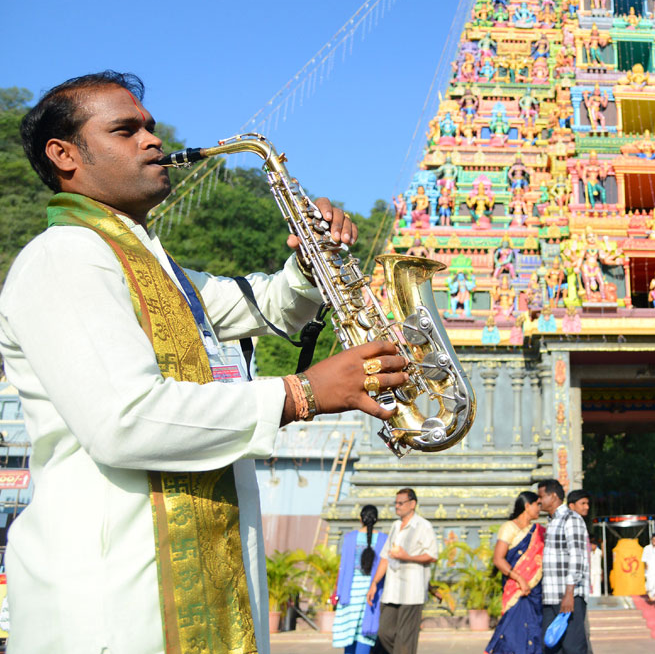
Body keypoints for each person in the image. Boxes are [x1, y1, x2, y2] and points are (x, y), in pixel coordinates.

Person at [0, 72, 409, 654]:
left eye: (149, 126)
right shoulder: (63, 259)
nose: (151, 139)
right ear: (65, 155)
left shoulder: (160, 270)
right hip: (113, 606)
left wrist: (315, 257)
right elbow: (125, 422)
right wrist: (300, 393)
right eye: (125, 130)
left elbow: (266, 306)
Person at [369, 488, 438, 654]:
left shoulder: (423, 526)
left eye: (401, 503)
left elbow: (432, 555)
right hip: (392, 590)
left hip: (412, 592)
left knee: (405, 637)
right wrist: (374, 583)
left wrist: (407, 557)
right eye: (396, 503)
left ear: (412, 504)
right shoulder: (395, 526)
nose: (397, 506)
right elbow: (385, 556)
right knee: (384, 633)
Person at [486, 491, 545, 654]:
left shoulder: (539, 531)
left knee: (533, 633)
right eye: (537, 504)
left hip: (535, 591)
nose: (540, 508)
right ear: (527, 506)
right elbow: (498, 559)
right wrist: (520, 580)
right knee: (513, 635)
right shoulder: (509, 528)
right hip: (516, 590)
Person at [538, 479, 590, 654]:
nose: (539, 501)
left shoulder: (571, 519)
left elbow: (577, 557)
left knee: (573, 647)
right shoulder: (551, 521)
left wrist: (569, 594)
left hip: (569, 597)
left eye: (541, 497)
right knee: (551, 646)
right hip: (550, 596)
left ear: (553, 497)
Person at [333, 505, 389, 654]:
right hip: (372, 594)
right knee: (365, 635)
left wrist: (337, 592)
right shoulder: (384, 539)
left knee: (349, 634)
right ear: (376, 519)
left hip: (350, 593)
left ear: (360, 519)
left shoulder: (350, 537)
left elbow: (343, 567)